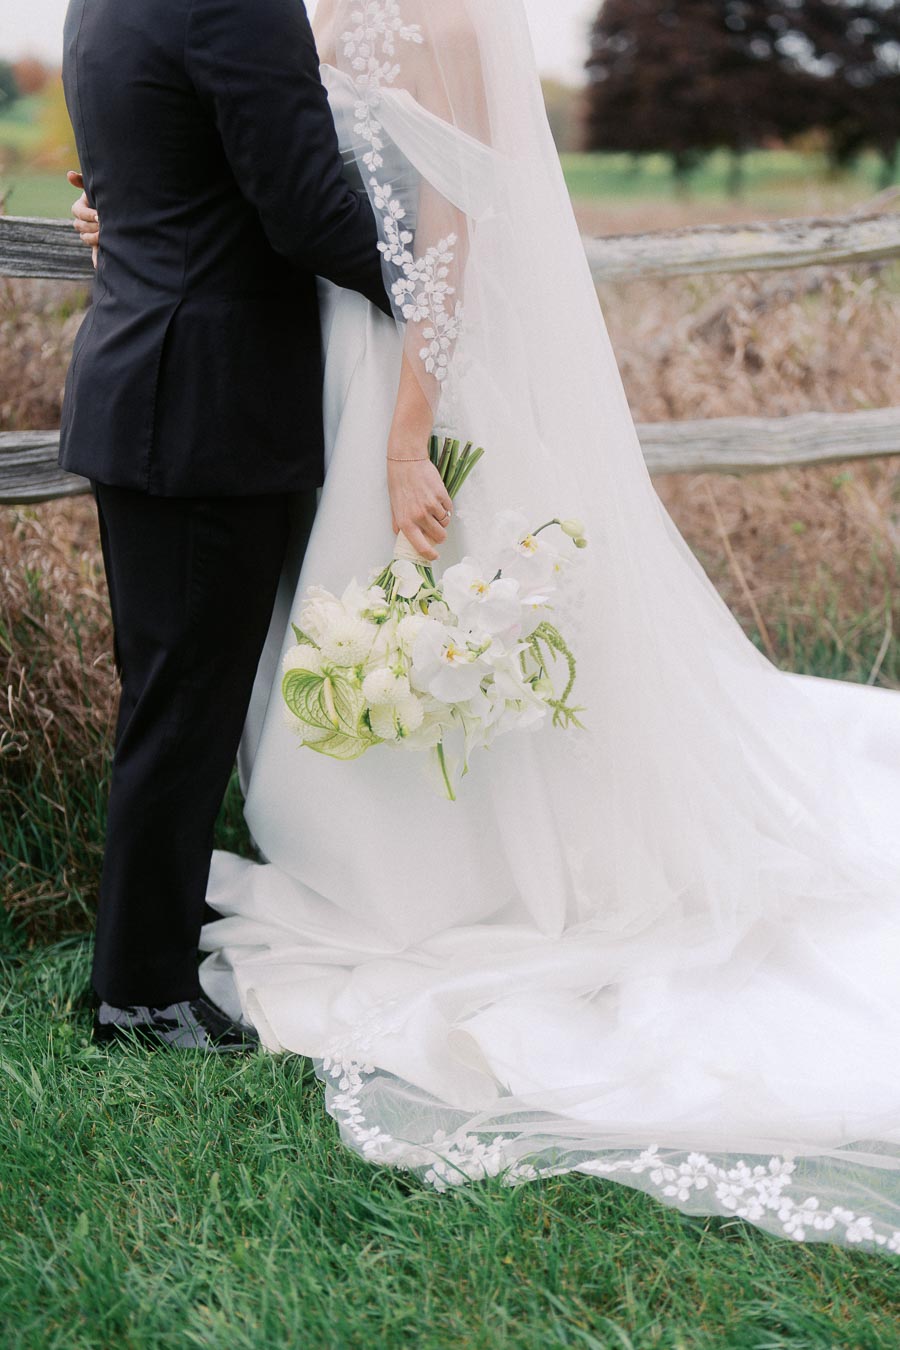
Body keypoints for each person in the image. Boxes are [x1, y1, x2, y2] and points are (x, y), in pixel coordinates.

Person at [70, 0, 900, 1253]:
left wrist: (422, 378)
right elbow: (271, 187)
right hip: (287, 364)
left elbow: (439, 213)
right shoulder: (264, 10)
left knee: (233, 658)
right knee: (202, 673)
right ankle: (164, 962)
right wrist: (153, 215)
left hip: (353, 368)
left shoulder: (425, 22)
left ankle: (405, 877)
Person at [60, 0, 452, 1051]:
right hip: (204, 402)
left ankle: (149, 946)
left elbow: (168, 178)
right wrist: (446, 300)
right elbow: (305, 208)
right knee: (185, 701)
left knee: (173, 693)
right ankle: (140, 993)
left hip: (143, 380)